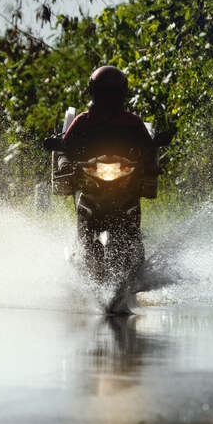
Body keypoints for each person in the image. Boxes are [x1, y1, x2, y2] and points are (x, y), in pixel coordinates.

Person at [59, 65, 155, 281]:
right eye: (104, 92)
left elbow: (148, 148)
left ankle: (133, 265)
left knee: (131, 224)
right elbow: (65, 147)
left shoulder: (132, 122)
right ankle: (84, 258)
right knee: (84, 228)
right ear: (94, 93)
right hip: (90, 184)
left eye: (113, 92)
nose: (108, 98)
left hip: (125, 186)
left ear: (121, 94)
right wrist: (65, 163)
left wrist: (150, 163)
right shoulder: (82, 121)